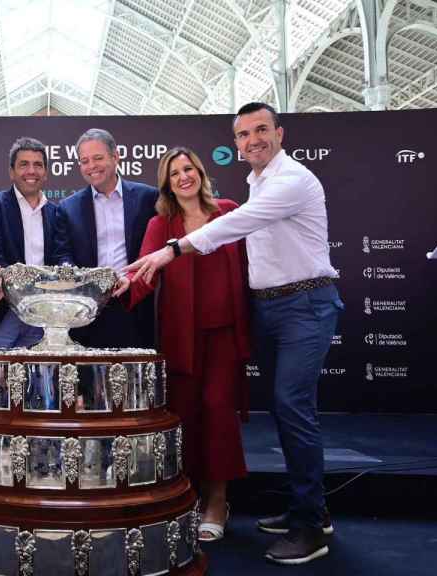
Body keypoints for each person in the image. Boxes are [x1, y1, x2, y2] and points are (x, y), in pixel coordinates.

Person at [125, 102, 343, 565]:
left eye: (261, 130)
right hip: (264, 311)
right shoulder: (254, 183)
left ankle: (308, 527)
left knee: (290, 406)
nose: (252, 140)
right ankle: (312, 511)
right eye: (243, 134)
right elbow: (144, 274)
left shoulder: (287, 182)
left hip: (303, 304)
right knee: (286, 411)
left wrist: (174, 249)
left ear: (279, 133)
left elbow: (235, 227)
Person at [120, 146, 250, 543]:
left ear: (200, 172)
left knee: (218, 410)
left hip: (225, 333)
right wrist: (115, 290)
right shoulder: (163, 224)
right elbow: (144, 271)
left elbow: (252, 261)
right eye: (174, 173)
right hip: (182, 336)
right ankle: (188, 496)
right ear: (167, 183)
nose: (183, 177)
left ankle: (218, 499)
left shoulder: (228, 211)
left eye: (188, 168)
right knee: (187, 415)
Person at [0, 136, 73, 349]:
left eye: (38, 165)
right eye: (24, 164)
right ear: (12, 172)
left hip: (43, 316)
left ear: (46, 173)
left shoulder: (56, 212)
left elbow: (62, 254)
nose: (31, 171)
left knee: (39, 381)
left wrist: (66, 273)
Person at [57, 128, 158, 349]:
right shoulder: (68, 207)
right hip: (87, 310)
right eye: (84, 161)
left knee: (134, 379)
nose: (91, 166)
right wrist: (76, 278)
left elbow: (157, 248)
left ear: (116, 156)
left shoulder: (148, 197)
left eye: (98, 158)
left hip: (136, 304)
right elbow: (63, 253)